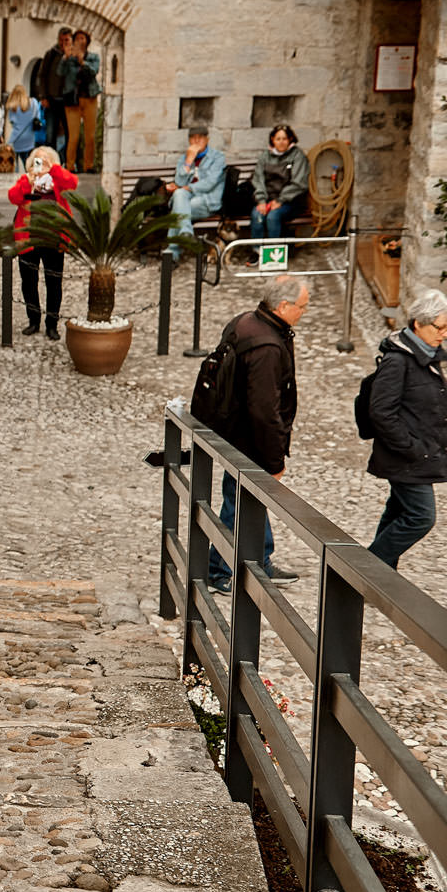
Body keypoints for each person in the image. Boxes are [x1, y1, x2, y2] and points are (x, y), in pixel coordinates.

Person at [206, 274, 311, 594]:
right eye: (302, 307)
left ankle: (261, 557)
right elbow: (264, 409)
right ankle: (218, 570)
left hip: (232, 428)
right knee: (239, 501)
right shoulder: (266, 344)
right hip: (246, 438)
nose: (304, 312)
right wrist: (274, 460)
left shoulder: (246, 321)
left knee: (246, 498)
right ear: (283, 305)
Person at [365, 290, 447, 570]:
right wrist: (411, 448)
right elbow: (381, 412)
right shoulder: (399, 360)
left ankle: (380, 576)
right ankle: (363, 570)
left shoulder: (427, 355)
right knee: (420, 516)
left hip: (419, 455)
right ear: (418, 323)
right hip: (407, 457)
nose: (445, 334)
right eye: (439, 327)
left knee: (398, 512)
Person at [7, 147, 77, 340]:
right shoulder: (26, 180)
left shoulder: (58, 182)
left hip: (53, 239)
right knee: (28, 282)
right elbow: (13, 197)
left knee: (54, 283)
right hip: (28, 239)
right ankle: (33, 320)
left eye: (45, 160)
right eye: (37, 160)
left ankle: (52, 324)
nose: (41, 163)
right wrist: (27, 183)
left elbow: (73, 183)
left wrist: (53, 170)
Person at [165, 123, 226, 239]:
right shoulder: (184, 158)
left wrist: (190, 188)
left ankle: (172, 250)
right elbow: (179, 183)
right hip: (186, 198)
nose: (197, 141)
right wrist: (188, 161)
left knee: (178, 209)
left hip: (207, 201)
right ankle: (186, 231)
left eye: (200, 137)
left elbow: (210, 182)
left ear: (207, 139)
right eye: (193, 137)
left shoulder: (218, 157)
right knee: (179, 195)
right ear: (189, 141)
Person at [250, 124, 310, 239]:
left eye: (284, 139)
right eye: (278, 139)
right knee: (257, 214)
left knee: (273, 216)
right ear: (273, 140)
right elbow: (258, 179)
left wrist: (280, 200)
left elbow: (299, 183)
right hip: (267, 199)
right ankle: (257, 250)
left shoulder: (297, 156)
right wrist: (261, 200)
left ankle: (274, 252)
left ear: (290, 139)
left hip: (290, 201)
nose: (281, 142)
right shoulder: (265, 156)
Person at [56, 31, 103, 173]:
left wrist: (83, 61)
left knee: (89, 136)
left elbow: (93, 71)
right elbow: (59, 72)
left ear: (87, 41)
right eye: (77, 38)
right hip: (72, 99)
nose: (79, 41)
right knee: (73, 136)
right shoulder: (68, 59)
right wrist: (65, 57)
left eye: (82, 38)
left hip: (89, 98)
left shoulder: (93, 57)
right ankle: (70, 165)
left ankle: (88, 165)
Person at [38, 27, 74, 150]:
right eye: (61, 40)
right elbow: (42, 75)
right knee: (50, 134)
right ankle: (51, 162)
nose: (63, 42)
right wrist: (43, 96)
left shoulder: (74, 55)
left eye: (66, 40)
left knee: (70, 133)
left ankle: (69, 164)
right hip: (52, 99)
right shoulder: (51, 54)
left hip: (68, 100)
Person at [5, 85, 46, 170]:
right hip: (32, 138)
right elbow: (38, 118)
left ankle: (16, 181)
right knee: (32, 165)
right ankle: (35, 179)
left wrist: (9, 143)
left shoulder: (13, 107)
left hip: (17, 139)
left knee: (14, 166)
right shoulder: (34, 102)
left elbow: (15, 126)